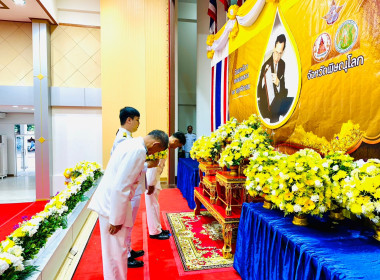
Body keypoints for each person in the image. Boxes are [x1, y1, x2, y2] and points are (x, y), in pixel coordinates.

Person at [88, 130, 169, 280]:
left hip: (110, 201)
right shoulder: (139, 150)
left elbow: (125, 168)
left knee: (113, 252)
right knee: (116, 254)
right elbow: (121, 186)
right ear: (155, 144)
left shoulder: (130, 143)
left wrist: (146, 165)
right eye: (155, 151)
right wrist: (116, 219)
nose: (152, 154)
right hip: (112, 205)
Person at [145, 132, 186, 240]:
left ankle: (157, 228)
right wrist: (151, 183)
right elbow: (153, 166)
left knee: (155, 205)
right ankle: (154, 232)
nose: (175, 148)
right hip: (151, 179)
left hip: (154, 178)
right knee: (152, 205)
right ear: (176, 141)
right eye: (177, 146)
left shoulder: (164, 146)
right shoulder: (162, 147)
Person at [257, 34, 293, 123]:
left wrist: (278, 83)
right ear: (273, 48)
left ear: (283, 52)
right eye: (276, 52)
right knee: (276, 110)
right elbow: (259, 89)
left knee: (293, 103)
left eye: (280, 53)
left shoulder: (282, 64)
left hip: (278, 100)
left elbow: (283, 86)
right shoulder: (265, 65)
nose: (277, 57)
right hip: (266, 103)